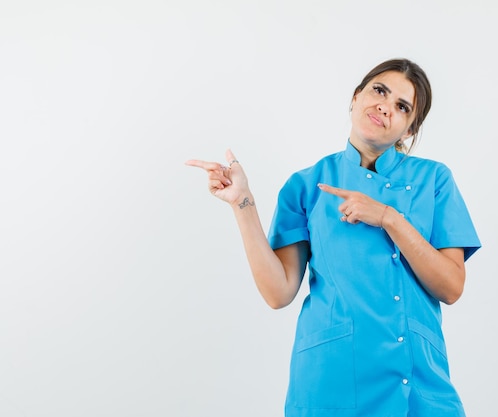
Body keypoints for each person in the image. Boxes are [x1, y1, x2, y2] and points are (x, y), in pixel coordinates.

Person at [186, 58, 481, 417]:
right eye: (379, 91)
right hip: (332, 379)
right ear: (356, 97)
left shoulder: (434, 180)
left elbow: (451, 287)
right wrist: (242, 204)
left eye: (402, 107)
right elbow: (278, 293)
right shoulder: (306, 185)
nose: (385, 107)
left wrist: (388, 217)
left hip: (417, 382)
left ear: (408, 130)